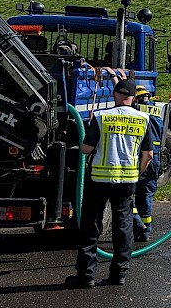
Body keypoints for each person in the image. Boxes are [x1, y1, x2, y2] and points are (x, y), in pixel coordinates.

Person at [65, 75, 153, 288]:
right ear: (133, 98)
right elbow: (148, 155)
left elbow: (86, 149)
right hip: (127, 181)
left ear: (115, 95)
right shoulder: (143, 119)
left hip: (100, 179)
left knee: (91, 224)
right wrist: (136, 173)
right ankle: (119, 274)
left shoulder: (103, 117)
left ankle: (86, 275)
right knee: (123, 225)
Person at [131, 84, 164, 242]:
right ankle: (145, 232)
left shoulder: (138, 113)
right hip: (155, 158)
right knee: (146, 196)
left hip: (143, 158)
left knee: (128, 194)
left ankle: (137, 222)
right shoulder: (156, 112)